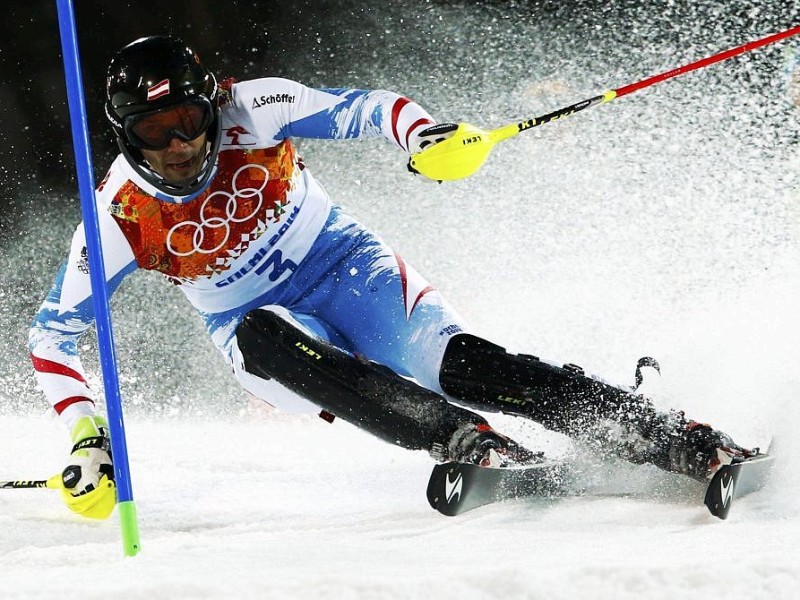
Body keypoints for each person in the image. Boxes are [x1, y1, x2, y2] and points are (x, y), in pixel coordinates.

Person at [29, 35, 756, 520]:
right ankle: (464, 440)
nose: (183, 143)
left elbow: (366, 109)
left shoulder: (251, 105)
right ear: (128, 134)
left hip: (345, 262)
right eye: (157, 133)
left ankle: (675, 438)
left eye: (189, 118)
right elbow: (52, 336)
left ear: (209, 101)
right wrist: (87, 435)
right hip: (258, 329)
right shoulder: (117, 219)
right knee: (267, 334)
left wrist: (427, 137)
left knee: (458, 362)